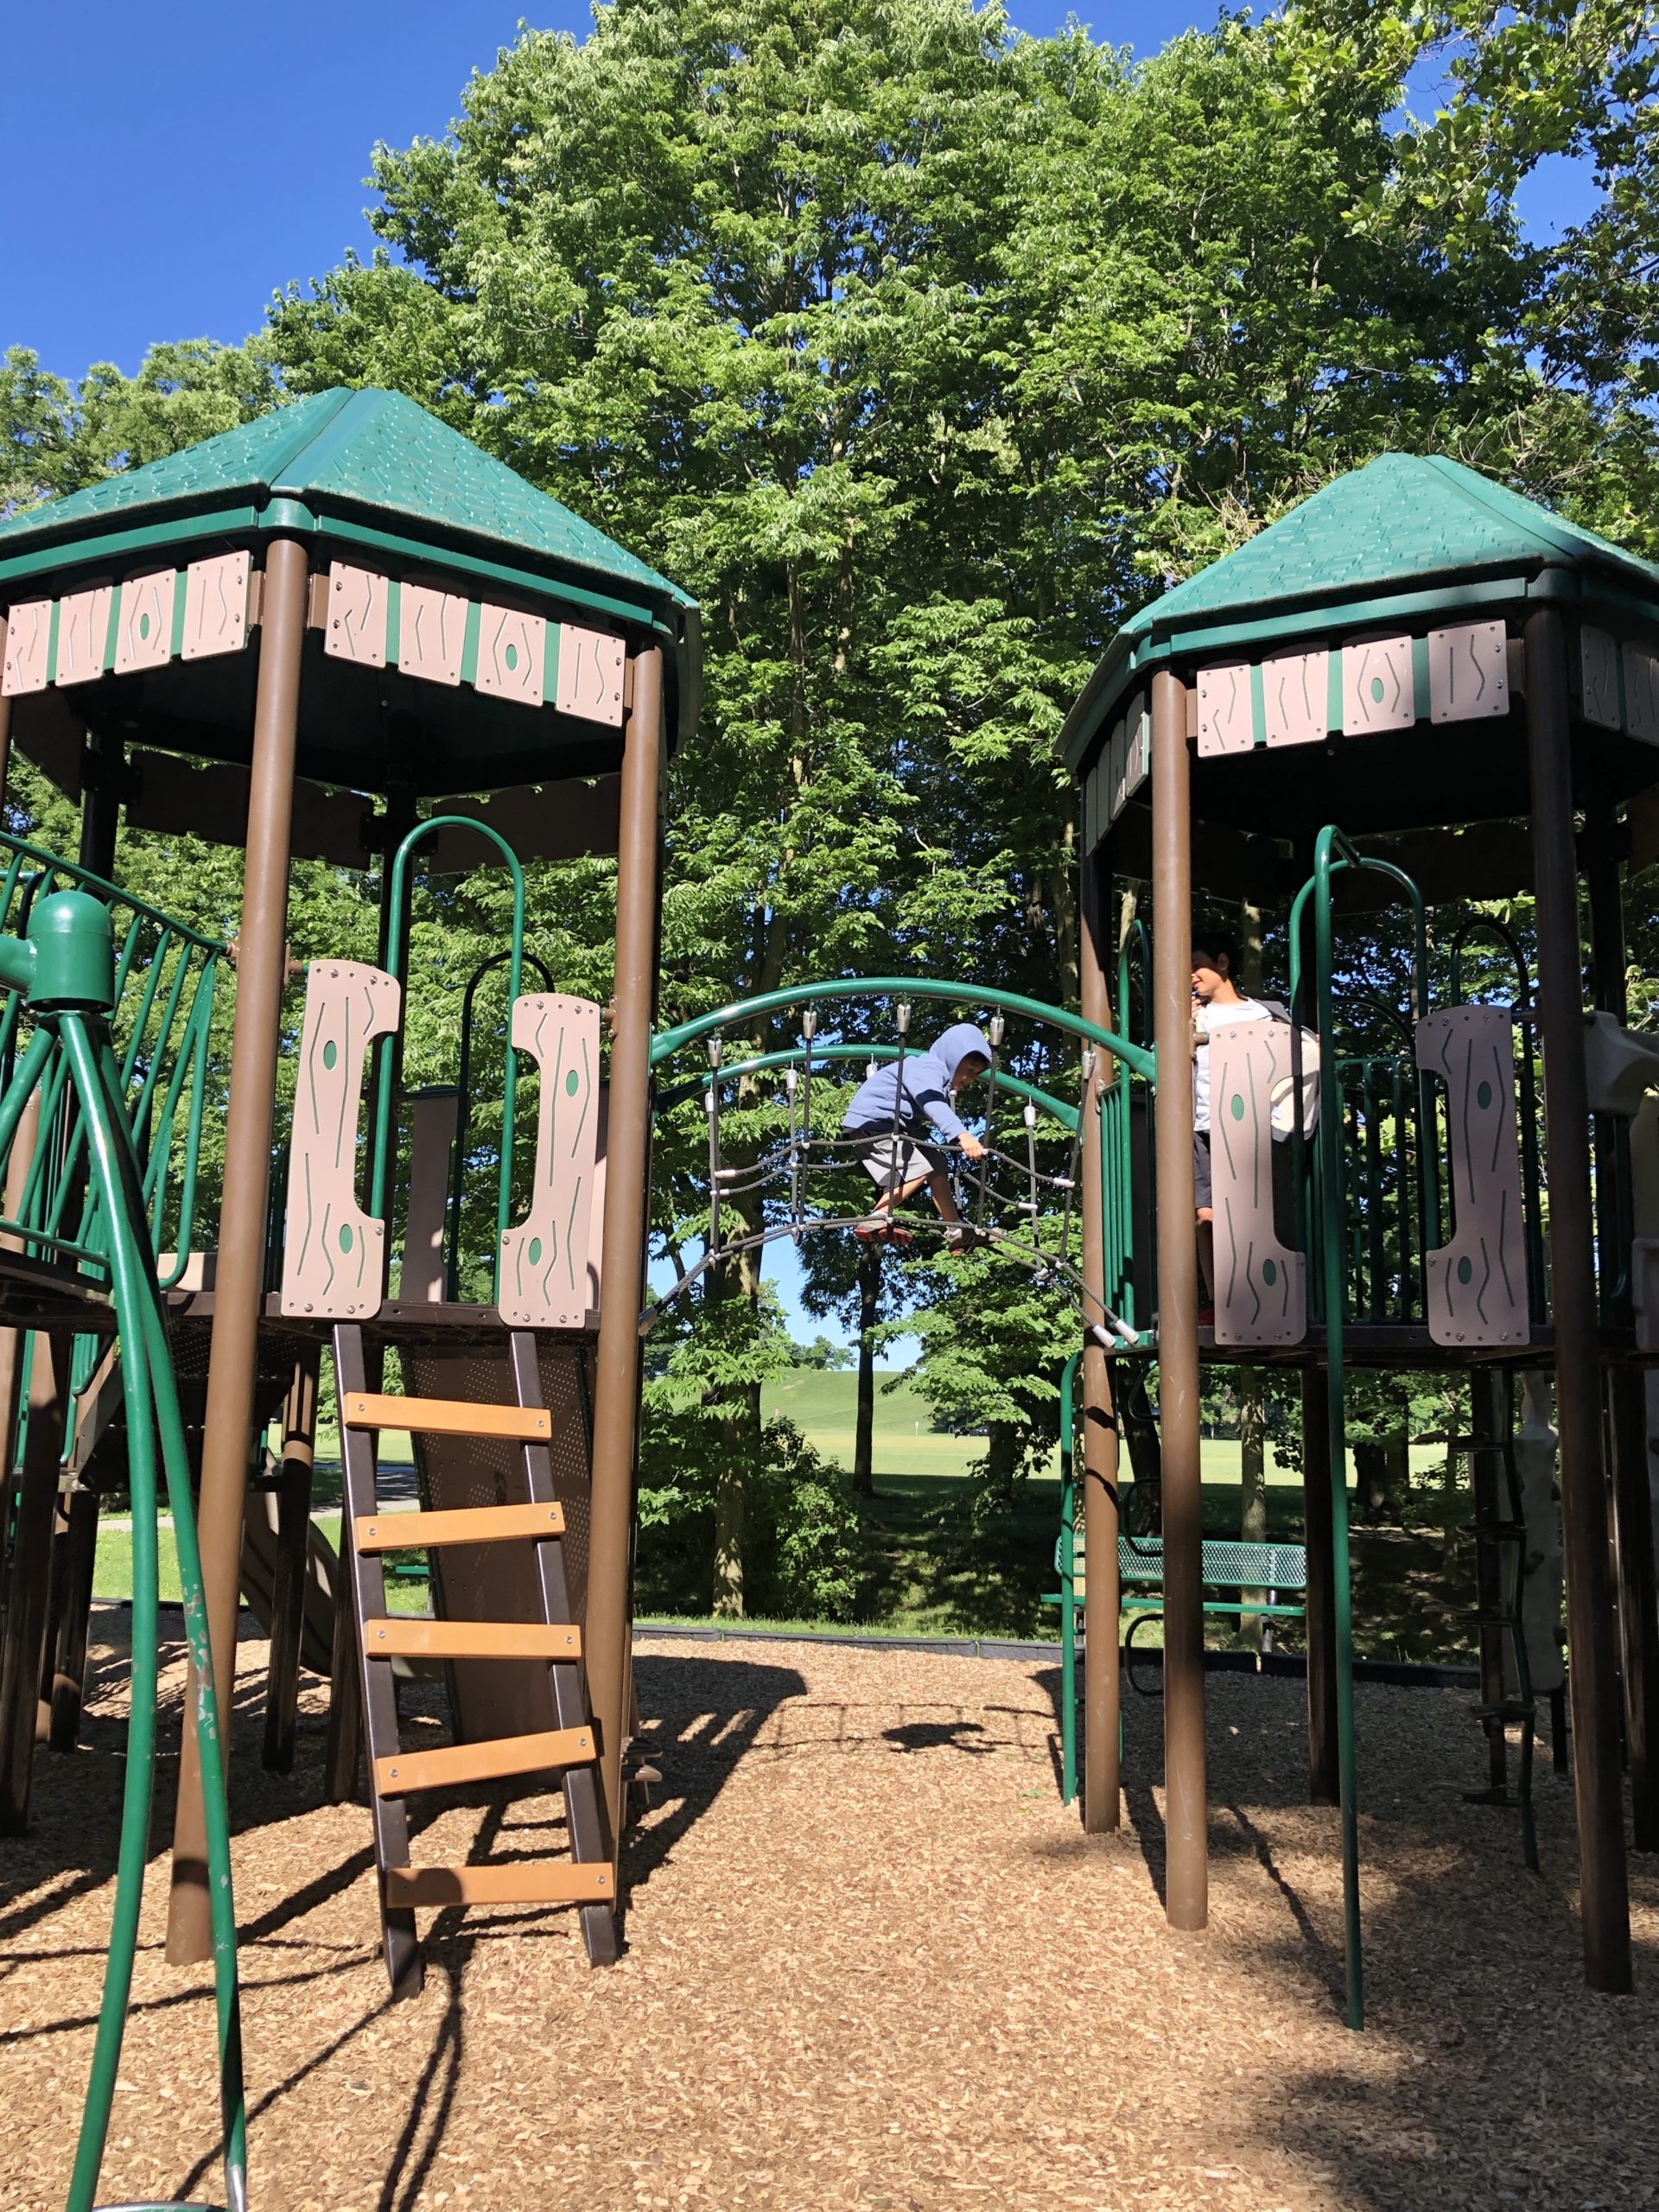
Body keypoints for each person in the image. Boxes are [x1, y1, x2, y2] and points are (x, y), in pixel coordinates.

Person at [842, 1021, 992, 1250]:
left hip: (886, 1128)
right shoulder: (929, 1068)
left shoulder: (936, 1076)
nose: (970, 1079)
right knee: (920, 1169)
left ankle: (956, 1228)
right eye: (969, 1070)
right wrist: (963, 1135)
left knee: (936, 1163)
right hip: (873, 1125)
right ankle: (876, 1217)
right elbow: (932, 1103)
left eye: (976, 1074)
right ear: (953, 1057)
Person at [1191, 933, 1274, 1314]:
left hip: (1245, 1124)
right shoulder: (1194, 1014)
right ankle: (1217, 1299)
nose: (1191, 976)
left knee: (1247, 1211)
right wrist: (1184, 1026)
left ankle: (1255, 1293)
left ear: (1222, 962)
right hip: (1200, 1123)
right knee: (1205, 1215)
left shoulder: (1261, 1015)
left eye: (1196, 966)